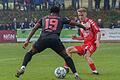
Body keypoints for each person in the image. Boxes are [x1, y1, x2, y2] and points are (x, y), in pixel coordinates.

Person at [15, 6, 86, 80]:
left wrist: (27, 40)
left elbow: (34, 28)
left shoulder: (44, 18)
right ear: (58, 12)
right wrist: (84, 27)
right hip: (55, 40)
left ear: (50, 12)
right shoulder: (61, 18)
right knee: (66, 56)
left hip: (43, 39)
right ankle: (76, 75)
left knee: (30, 52)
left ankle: (23, 67)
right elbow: (75, 23)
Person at [64, 8, 101, 75]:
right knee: (68, 50)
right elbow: (82, 37)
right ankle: (66, 68)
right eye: (79, 15)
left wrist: (97, 40)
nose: (80, 17)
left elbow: (98, 32)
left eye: (82, 15)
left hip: (92, 44)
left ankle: (95, 71)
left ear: (85, 14)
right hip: (85, 45)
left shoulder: (91, 22)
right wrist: (76, 38)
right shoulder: (80, 24)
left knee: (86, 55)